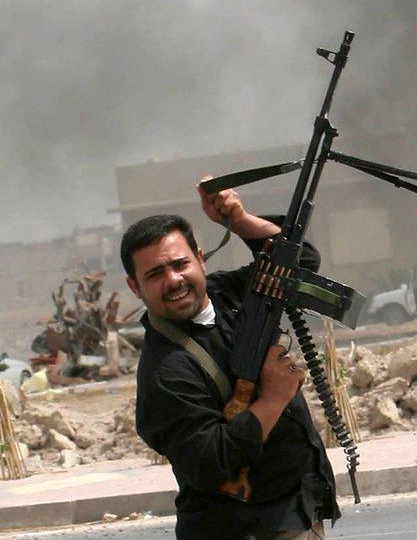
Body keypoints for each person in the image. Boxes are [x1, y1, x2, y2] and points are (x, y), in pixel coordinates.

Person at [123, 181, 339, 539]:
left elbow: (302, 264)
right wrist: (272, 399)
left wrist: (239, 220)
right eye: (155, 274)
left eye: (180, 264)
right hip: (244, 527)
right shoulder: (165, 371)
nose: (173, 280)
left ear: (201, 259)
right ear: (135, 287)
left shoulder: (229, 293)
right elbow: (212, 462)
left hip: (294, 507)